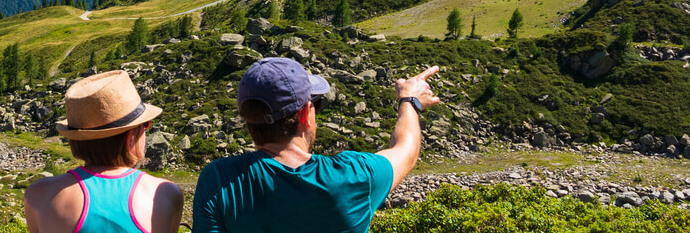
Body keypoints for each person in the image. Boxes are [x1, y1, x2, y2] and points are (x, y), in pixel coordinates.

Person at [192, 57, 440, 232]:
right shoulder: (354, 175)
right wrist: (410, 100)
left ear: (248, 121)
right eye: (315, 105)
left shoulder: (217, 180)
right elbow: (405, 150)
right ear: (304, 115)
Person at [24, 70, 184, 233]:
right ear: (130, 136)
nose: (146, 130)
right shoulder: (166, 194)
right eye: (145, 124)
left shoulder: (39, 195)